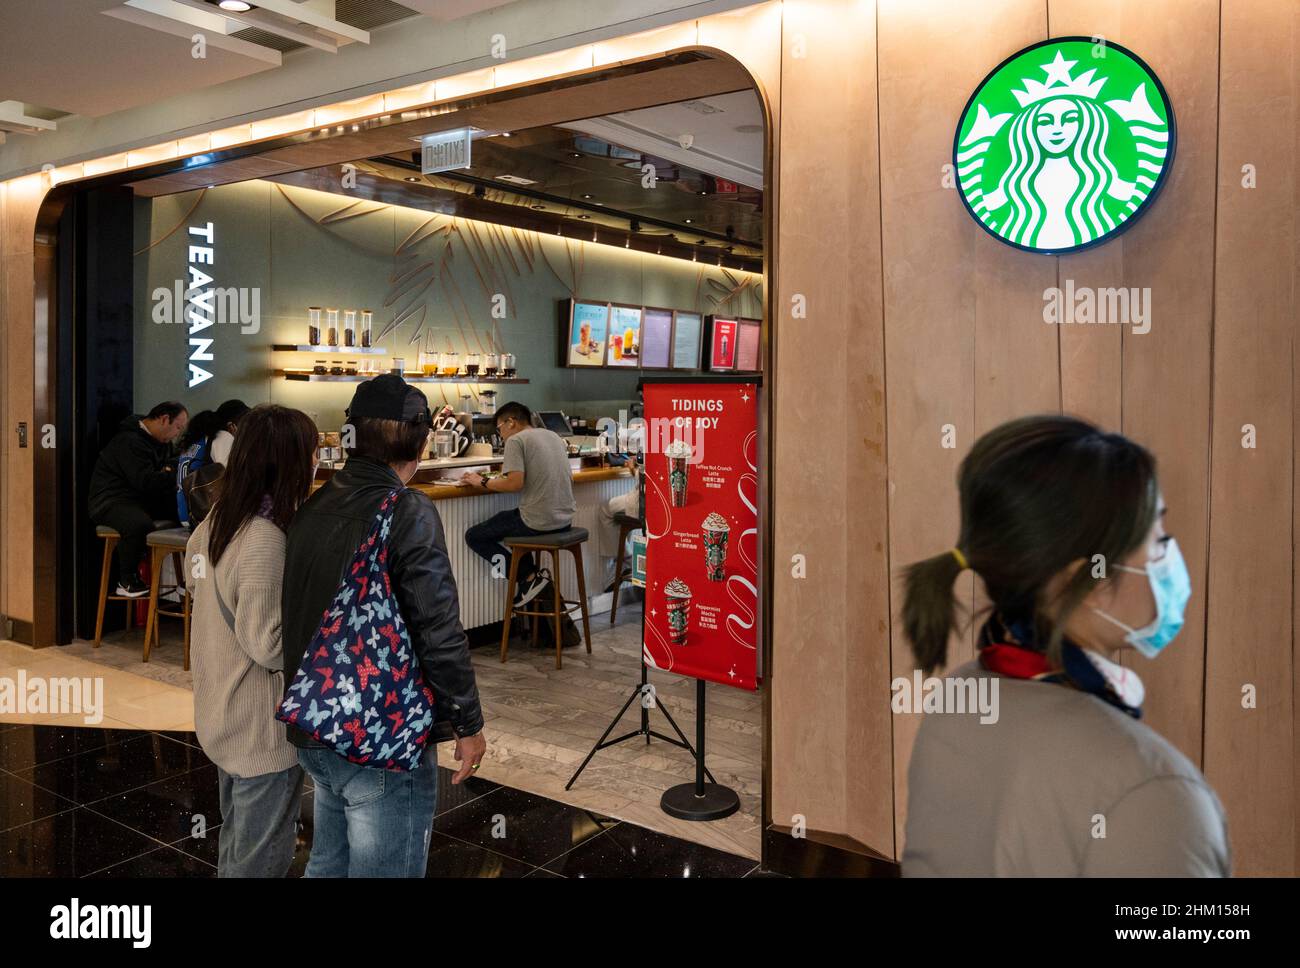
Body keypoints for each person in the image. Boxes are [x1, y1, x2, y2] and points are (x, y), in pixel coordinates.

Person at [900, 415, 1230, 877]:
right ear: (1089, 581)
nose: (1171, 562)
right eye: (1157, 541)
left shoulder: (960, 695)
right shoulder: (1156, 793)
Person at [282, 374, 486, 878]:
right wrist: (468, 723)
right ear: (420, 442)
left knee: (327, 862)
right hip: (382, 736)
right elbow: (437, 626)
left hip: (317, 724)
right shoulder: (405, 508)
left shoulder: (313, 504)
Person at [186, 404, 318, 877]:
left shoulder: (214, 522)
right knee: (261, 857)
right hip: (258, 728)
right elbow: (267, 644)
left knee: (237, 841)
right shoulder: (266, 537)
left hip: (221, 711)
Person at [460, 401, 577, 607]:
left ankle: (529, 579)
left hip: (537, 521)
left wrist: (482, 481)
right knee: (513, 527)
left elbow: (515, 483)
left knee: (475, 536)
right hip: (565, 520)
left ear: (511, 422)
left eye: (499, 429)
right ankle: (530, 582)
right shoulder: (552, 436)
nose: (501, 434)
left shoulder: (516, 440)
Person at [88, 401, 189, 597]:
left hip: (139, 499)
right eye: (178, 427)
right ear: (164, 419)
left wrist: (167, 470)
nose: (178, 434)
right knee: (138, 524)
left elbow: (171, 464)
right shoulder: (129, 441)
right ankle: (126, 579)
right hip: (110, 500)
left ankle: (189, 579)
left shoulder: (161, 443)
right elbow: (145, 481)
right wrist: (169, 472)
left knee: (185, 512)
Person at [210, 398, 250, 465]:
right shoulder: (224, 438)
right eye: (243, 422)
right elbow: (231, 472)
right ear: (230, 426)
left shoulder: (213, 437)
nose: (245, 428)